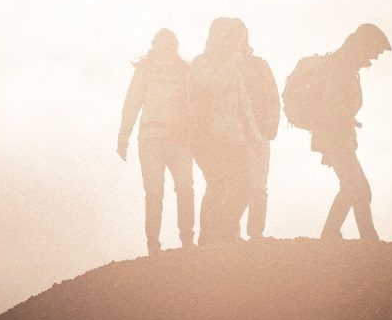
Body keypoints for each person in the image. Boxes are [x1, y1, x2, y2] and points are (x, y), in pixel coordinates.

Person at [117, 28, 195, 254]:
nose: (166, 48)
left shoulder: (184, 72)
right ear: (156, 45)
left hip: (176, 139)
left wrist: (124, 138)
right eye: (163, 43)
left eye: (170, 44)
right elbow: (131, 104)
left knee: (182, 188)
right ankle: (156, 244)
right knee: (157, 192)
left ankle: (185, 239)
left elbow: (194, 105)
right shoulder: (146, 71)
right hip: (154, 139)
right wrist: (123, 137)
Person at [311, 23, 391, 241]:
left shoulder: (346, 63)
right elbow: (332, 103)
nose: (375, 57)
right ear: (365, 45)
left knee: (361, 190)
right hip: (336, 137)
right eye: (376, 50)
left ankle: (368, 238)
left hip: (339, 136)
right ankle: (331, 233)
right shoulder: (342, 63)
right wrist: (343, 123)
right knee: (353, 185)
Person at [189, 17, 263, 245]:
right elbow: (214, 86)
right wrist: (232, 62)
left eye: (239, 40)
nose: (236, 45)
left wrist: (255, 136)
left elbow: (244, 105)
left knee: (246, 186)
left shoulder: (234, 66)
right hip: (208, 135)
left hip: (235, 137)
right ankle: (208, 238)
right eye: (233, 39)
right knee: (219, 183)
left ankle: (223, 232)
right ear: (220, 38)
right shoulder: (200, 63)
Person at [231, 20, 280, 240]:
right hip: (233, 134)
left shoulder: (257, 65)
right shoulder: (228, 66)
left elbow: (272, 97)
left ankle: (254, 232)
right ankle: (237, 232)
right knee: (239, 183)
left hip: (256, 132)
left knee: (256, 184)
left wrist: (270, 128)